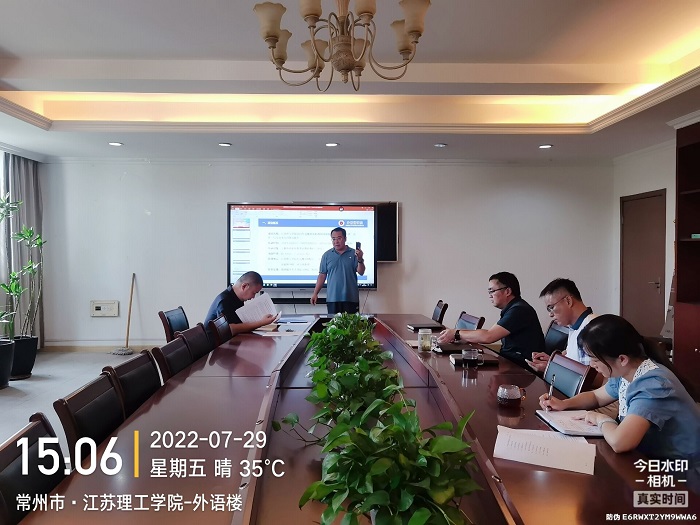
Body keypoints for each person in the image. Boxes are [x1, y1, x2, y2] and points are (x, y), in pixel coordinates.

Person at [539, 314, 700, 492]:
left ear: (622, 359)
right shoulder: (627, 371)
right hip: (649, 461)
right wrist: (564, 404)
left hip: (680, 476)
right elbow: (596, 397)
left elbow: (620, 442)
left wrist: (601, 419)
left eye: (594, 359)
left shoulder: (654, 385)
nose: (592, 365)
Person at [437, 272, 545, 369]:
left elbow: (488, 336)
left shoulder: (519, 310)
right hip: (511, 361)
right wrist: (460, 335)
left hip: (521, 368)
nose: (490, 296)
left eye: (492, 291)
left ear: (507, 291)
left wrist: (456, 333)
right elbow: (489, 333)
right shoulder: (514, 308)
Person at [528, 278, 597, 373]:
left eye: (551, 307)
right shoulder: (575, 326)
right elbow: (571, 359)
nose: (550, 314)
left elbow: (594, 377)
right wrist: (552, 360)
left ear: (568, 301)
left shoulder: (592, 329)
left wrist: (550, 368)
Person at [310, 227, 365, 314]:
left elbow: (361, 272)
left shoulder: (354, 253)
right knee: (334, 322)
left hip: (350, 298)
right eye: (333, 239)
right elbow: (322, 275)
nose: (336, 241)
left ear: (345, 239)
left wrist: (360, 259)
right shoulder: (327, 255)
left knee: (351, 322)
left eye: (339, 238)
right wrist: (315, 293)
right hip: (333, 298)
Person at [204, 271, 276, 336]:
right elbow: (230, 329)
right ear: (244, 286)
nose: (253, 297)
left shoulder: (237, 299)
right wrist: (261, 323)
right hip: (216, 344)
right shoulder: (224, 300)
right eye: (254, 293)